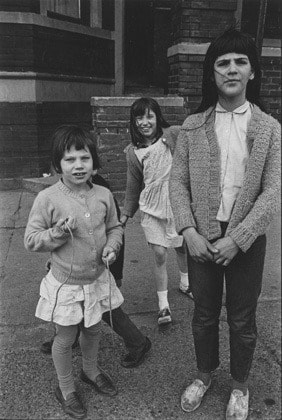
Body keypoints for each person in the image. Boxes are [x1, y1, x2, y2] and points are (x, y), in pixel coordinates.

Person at [169, 28, 281, 420]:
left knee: (241, 317)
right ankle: (204, 375)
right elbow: (177, 183)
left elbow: (272, 192)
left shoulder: (269, 129)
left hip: (246, 243)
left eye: (240, 62)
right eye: (222, 63)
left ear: (252, 73)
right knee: (203, 314)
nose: (231, 70)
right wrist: (188, 231)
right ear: (211, 73)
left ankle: (239, 385)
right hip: (201, 238)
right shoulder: (192, 127)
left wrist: (239, 238)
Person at [24, 125, 124, 419]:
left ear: (94, 162)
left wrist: (113, 247)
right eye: (70, 159)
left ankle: (90, 372)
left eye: (84, 158)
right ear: (57, 165)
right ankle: (65, 387)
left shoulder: (104, 195)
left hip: (96, 280)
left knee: (93, 330)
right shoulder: (48, 198)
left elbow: (115, 228)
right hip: (66, 283)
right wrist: (56, 233)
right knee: (66, 338)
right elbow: (31, 240)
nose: (78, 165)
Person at [40, 172, 151, 370]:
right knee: (67, 304)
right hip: (70, 268)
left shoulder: (100, 191)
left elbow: (114, 233)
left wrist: (115, 272)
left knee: (108, 308)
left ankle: (138, 342)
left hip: (99, 266)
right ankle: (69, 337)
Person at [120, 97, 192, 327]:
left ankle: (185, 283)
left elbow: (196, 134)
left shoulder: (172, 134)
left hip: (176, 203)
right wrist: (125, 215)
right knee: (160, 253)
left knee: (182, 245)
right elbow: (133, 187)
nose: (144, 122)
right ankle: (163, 306)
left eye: (149, 116)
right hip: (150, 208)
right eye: (139, 117)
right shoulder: (133, 152)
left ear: (157, 117)